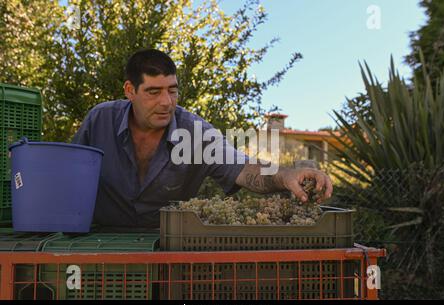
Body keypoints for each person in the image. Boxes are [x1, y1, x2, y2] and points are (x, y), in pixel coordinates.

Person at [72, 48, 333, 231]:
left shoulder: (196, 132)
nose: (166, 102)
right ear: (130, 90)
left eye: (172, 91)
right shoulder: (99, 120)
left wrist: (284, 176)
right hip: (99, 240)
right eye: (153, 92)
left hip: (168, 245)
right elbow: (68, 177)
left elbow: (243, 169)